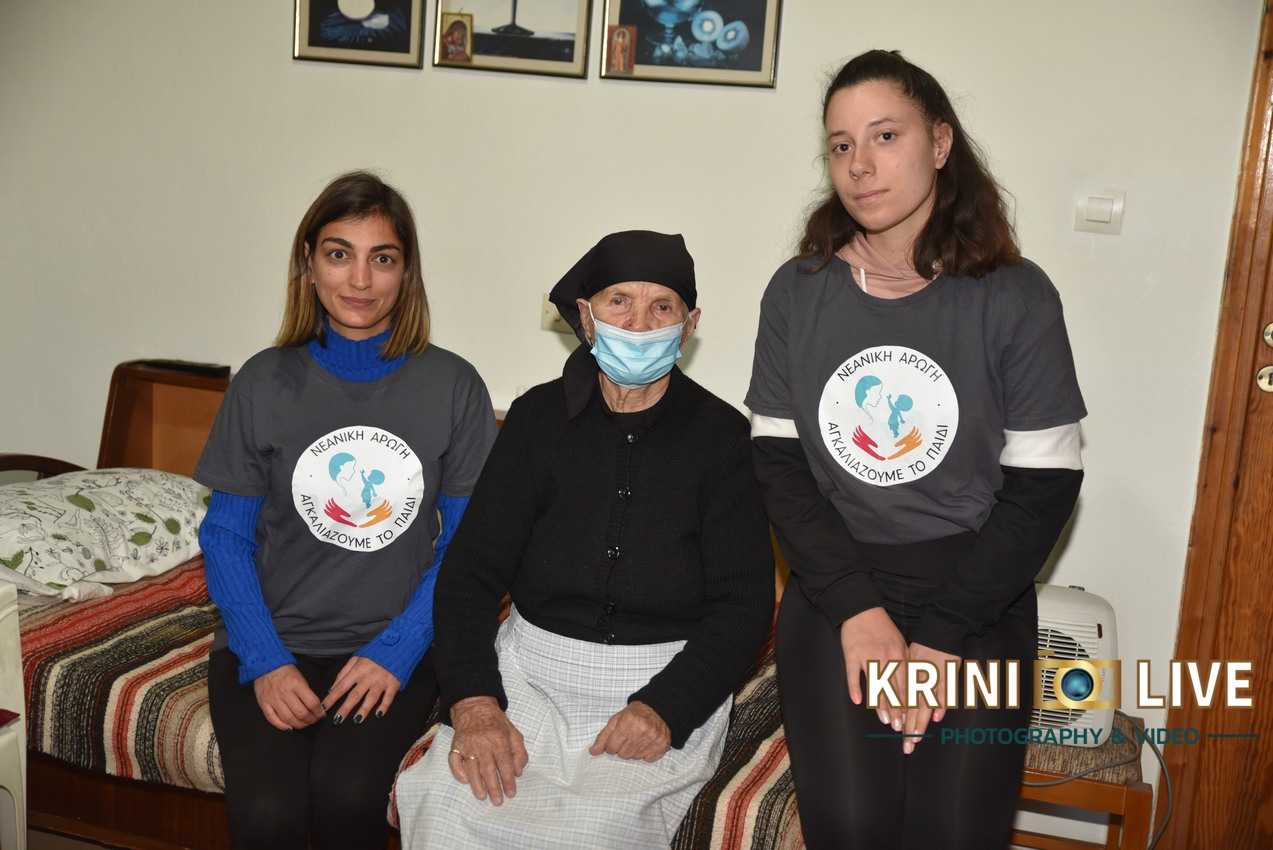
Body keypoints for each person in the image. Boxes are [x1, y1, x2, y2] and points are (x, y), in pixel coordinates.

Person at [745, 50, 1086, 850]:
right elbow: (778, 467)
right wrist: (859, 613)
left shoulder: (1015, 296)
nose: (859, 165)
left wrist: (939, 637)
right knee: (853, 825)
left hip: (974, 597)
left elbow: (1043, 485)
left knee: (953, 830)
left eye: (884, 136)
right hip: (836, 588)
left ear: (938, 142)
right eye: (840, 145)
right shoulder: (797, 291)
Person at [395, 230, 775, 849]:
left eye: (662, 307)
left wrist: (666, 708)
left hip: (659, 686)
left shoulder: (722, 438)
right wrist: (475, 703)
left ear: (689, 325)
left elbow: (744, 604)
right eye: (619, 301)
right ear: (586, 315)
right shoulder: (536, 420)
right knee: (446, 805)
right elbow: (469, 577)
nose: (639, 324)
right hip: (528, 678)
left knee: (595, 833)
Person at [195, 171, 496, 850]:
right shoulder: (262, 381)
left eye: (381, 258)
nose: (360, 280)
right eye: (339, 254)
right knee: (267, 817)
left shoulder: (452, 385)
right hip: (273, 641)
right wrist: (265, 660)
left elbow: (470, 546)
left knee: (348, 799)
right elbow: (226, 536)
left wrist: (397, 650)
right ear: (308, 264)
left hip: (392, 647)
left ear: (406, 273)